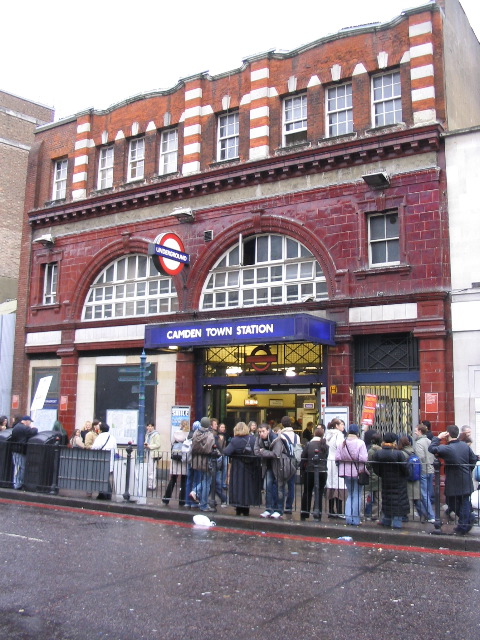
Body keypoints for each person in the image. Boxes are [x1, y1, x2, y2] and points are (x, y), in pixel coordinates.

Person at [429, 425, 477, 535]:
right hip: (465, 479)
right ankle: (466, 521)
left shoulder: (447, 448)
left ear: (448, 434)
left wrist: (438, 437)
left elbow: (431, 448)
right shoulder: (464, 446)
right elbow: (473, 459)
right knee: (464, 502)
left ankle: (464, 524)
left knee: (451, 501)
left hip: (453, 481)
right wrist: (467, 470)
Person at [254, 422, 295, 519]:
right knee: (267, 488)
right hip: (268, 467)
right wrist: (265, 452)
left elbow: (276, 454)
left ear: (268, 430)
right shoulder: (258, 439)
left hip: (279, 467)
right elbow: (256, 451)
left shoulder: (277, 439)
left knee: (279, 488)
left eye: (263, 431)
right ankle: (268, 509)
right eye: (259, 432)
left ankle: (279, 510)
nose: (261, 434)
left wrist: (263, 451)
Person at [223, 421, 262, 516]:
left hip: (238, 467)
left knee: (238, 487)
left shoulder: (235, 440)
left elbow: (227, 452)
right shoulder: (252, 439)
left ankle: (239, 508)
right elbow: (257, 452)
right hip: (251, 468)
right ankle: (246, 509)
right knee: (248, 488)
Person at [372, 432, 409, 529]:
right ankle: (397, 524)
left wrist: (382, 474)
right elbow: (405, 468)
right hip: (399, 482)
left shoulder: (378, 453)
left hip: (385, 480)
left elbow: (375, 467)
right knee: (398, 502)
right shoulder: (398, 454)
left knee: (387, 500)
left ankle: (386, 521)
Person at [335, 424, 368, 526]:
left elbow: (337, 457)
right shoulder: (360, 443)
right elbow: (363, 458)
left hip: (345, 471)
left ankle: (348, 518)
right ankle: (355, 519)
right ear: (357, 432)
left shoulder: (342, 443)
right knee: (357, 494)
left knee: (350, 494)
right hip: (358, 471)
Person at [300, 427, 328, 521]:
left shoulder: (309, 444)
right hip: (322, 472)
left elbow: (303, 456)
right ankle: (318, 514)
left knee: (307, 492)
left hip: (310, 471)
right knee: (319, 493)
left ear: (314, 433)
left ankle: (304, 513)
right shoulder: (325, 445)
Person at [190, 417, 216, 512]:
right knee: (207, 482)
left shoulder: (196, 433)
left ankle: (195, 492)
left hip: (197, 460)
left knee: (204, 480)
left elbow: (193, 447)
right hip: (207, 461)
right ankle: (203, 504)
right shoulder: (210, 435)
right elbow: (208, 449)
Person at [397, 435, 425, 522]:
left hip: (406, 479)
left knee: (405, 499)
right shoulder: (413, 450)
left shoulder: (402, 453)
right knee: (416, 499)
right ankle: (423, 515)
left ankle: (404, 516)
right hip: (415, 477)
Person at [163, 420, 189, 504]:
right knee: (183, 481)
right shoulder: (188, 434)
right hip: (183, 459)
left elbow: (171, 442)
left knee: (173, 479)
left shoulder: (175, 433)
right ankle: (182, 500)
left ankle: (166, 498)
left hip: (175, 458)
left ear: (180, 425)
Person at [414, 423, 436, 522]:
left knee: (424, 493)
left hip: (423, 470)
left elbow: (420, 457)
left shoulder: (419, 443)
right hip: (431, 469)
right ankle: (427, 513)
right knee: (428, 492)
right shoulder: (429, 441)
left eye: (416, 430)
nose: (414, 432)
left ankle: (431, 515)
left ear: (420, 431)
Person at [325, 418, 346, 518]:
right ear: (336, 426)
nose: (343, 426)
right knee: (339, 485)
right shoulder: (339, 435)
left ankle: (331, 511)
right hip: (337, 462)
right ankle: (339, 511)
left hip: (330, 461)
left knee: (331, 485)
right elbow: (340, 448)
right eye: (341, 424)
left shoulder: (329, 434)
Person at [10, 416, 38, 489]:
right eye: (30, 422)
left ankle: (18, 484)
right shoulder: (22, 427)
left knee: (19, 467)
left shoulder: (17, 427)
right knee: (19, 468)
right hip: (19, 451)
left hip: (17, 450)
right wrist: (34, 427)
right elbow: (33, 432)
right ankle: (17, 485)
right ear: (26, 421)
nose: (30, 423)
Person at [281, 415, 301, 514]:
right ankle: (289, 506)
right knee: (291, 484)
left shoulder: (281, 435)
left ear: (282, 424)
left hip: (283, 462)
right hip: (293, 462)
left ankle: (280, 505)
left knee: (281, 484)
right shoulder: (296, 436)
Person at [92, 422, 117, 500]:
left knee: (102, 478)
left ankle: (103, 494)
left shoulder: (100, 437)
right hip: (110, 460)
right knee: (106, 478)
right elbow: (115, 449)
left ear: (101, 429)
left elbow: (95, 447)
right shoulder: (112, 437)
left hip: (101, 459)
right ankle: (106, 494)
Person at [364, 432, 382, 520]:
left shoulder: (371, 451)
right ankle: (375, 515)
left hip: (371, 475)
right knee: (377, 498)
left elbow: (367, 463)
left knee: (365, 495)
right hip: (379, 476)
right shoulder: (381, 450)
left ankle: (361, 514)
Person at [145, 422, 162, 491]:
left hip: (153, 453)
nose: (149, 427)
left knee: (152, 469)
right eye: (148, 426)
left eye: (151, 426)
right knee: (149, 469)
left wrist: (149, 446)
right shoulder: (147, 434)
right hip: (148, 452)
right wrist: (146, 445)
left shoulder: (156, 434)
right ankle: (149, 484)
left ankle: (152, 485)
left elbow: (158, 444)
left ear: (153, 427)